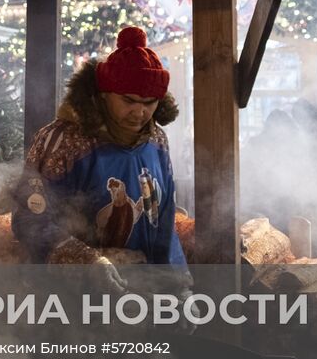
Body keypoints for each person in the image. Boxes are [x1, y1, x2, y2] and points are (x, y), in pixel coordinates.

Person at [11, 27, 186, 284]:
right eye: (129, 101)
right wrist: (87, 262)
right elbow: (30, 219)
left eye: (150, 102)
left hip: (144, 286)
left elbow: (165, 218)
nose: (139, 113)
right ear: (105, 94)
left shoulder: (157, 141)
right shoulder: (63, 140)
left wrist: (178, 283)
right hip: (72, 295)